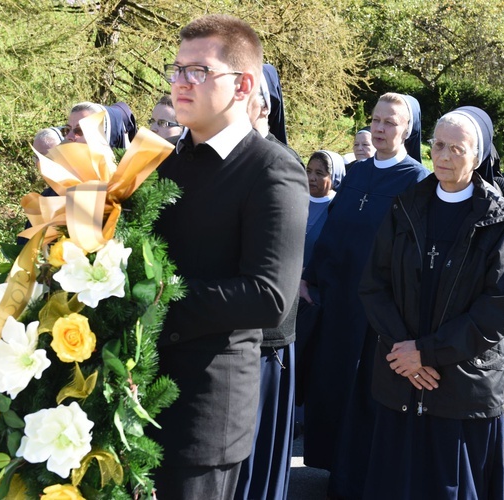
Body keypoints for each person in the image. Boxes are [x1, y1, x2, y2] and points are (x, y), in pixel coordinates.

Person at [151, 14, 308, 499]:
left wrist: (154, 299)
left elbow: (268, 296)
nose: (180, 82)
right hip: (137, 391)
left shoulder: (272, 170)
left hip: (203, 410)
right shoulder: (166, 162)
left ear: (242, 85)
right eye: (176, 69)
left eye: (197, 71)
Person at [359, 105, 504, 499]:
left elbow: (496, 309)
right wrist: (406, 352)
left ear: (479, 156)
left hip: (462, 384)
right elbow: (374, 286)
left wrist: (426, 353)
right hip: (400, 375)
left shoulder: (500, 219)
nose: (444, 156)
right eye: (438, 145)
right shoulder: (406, 205)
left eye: (457, 149)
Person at [300, 92, 428, 498]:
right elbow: (333, 231)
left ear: (408, 129)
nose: (379, 128)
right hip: (335, 301)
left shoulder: (416, 180)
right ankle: (335, 471)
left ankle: (361, 479)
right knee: (332, 384)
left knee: (366, 393)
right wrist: (310, 277)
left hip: (377, 309)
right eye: (375, 119)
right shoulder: (355, 173)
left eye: (390, 122)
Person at [233, 63, 305, 500]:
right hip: (229, 335)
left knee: (254, 453)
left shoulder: (282, 163)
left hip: (266, 341)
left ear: (266, 104)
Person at [303, 150, 345, 268]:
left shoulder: (339, 207)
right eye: (309, 171)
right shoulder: (297, 199)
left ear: (334, 177)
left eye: (319, 173)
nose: (311, 178)